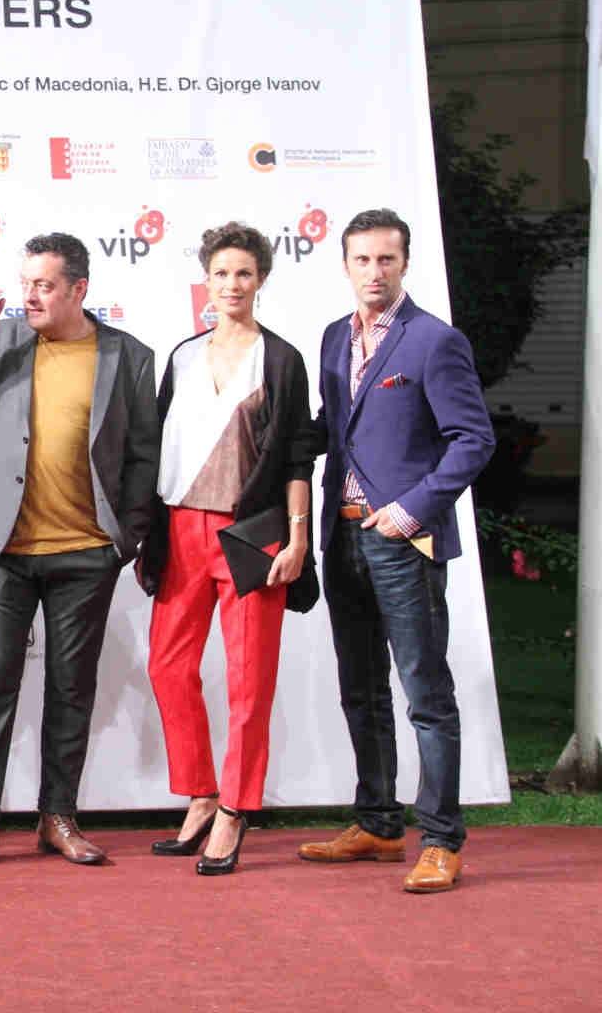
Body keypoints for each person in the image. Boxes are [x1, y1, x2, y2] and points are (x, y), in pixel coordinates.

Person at [0, 232, 158, 870]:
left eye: (44, 285)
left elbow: (143, 455)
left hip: (87, 551)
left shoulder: (129, 356)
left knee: (71, 690)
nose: (29, 295)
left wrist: (126, 537)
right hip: (4, 547)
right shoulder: (1, 340)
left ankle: (58, 817)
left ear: (79, 289)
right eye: (25, 282)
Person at [297, 209, 494, 893]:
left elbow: (473, 439)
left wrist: (410, 510)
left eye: (386, 259)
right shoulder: (332, 337)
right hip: (342, 535)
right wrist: (266, 434)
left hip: (404, 539)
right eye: (362, 259)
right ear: (345, 265)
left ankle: (441, 840)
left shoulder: (435, 341)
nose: (374, 271)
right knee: (360, 690)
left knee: (426, 695)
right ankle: (379, 824)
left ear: (405, 263)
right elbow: (333, 430)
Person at [137, 222, 318, 876]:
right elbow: (158, 445)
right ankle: (202, 793)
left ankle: (237, 809)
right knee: (168, 667)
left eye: (244, 273)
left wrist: (298, 538)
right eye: (221, 273)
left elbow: (297, 457)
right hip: (181, 529)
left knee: (249, 681)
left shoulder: (281, 359)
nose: (232, 284)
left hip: (252, 537)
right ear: (206, 281)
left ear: (261, 279)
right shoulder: (183, 356)